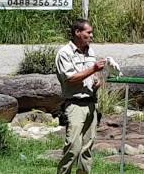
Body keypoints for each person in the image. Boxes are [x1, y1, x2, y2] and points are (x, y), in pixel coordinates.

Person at [55, 19, 106, 174]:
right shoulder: (64, 53)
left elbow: (92, 75)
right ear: (77, 33)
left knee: (87, 149)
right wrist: (93, 69)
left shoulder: (90, 51)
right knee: (73, 147)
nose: (91, 35)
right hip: (75, 105)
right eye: (88, 32)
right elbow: (70, 79)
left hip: (91, 103)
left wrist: (96, 81)